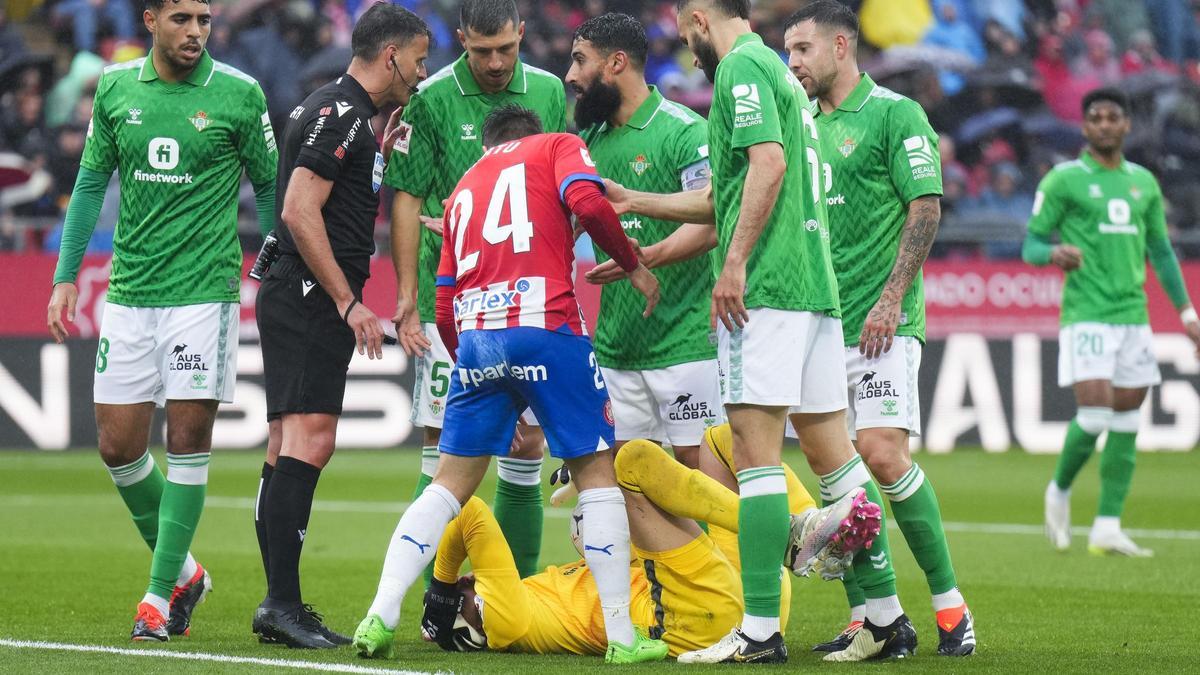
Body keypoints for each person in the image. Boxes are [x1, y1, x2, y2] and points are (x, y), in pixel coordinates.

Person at [600, 0, 905, 662]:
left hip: (764, 290)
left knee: (754, 454)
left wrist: (732, 263)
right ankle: (885, 615)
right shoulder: (778, 75)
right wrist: (637, 207)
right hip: (814, 291)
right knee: (834, 457)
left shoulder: (740, 68)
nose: (685, 43)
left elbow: (765, 166)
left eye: (684, 29)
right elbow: (725, 194)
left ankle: (760, 631)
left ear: (701, 16)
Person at [353, 105, 666, 664]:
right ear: (533, 136)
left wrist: (478, 364)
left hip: (477, 341)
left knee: (446, 487)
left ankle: (380, 614)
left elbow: (444, 302)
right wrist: (634, 263)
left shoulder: (466, 186)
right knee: (597, 475)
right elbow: (590, 202)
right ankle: (622, 637)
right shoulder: (556, 146)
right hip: (547, 325)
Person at [45, 0, 277, 642]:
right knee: (118, 447)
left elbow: (272, 186)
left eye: (204, 19)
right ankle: (187, 572)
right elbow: (91, 182)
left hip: (204, 294)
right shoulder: (117, 88)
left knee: (185, 445)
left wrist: (279, 266)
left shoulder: (239, 92)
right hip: (129, 291)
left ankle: (157, 593)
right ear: (150, 20)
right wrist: (66, 275)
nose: (196, 31)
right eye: (182, 19)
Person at [783, 2, 975, 658]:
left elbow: (925, 205)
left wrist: (892, 299)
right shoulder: (800, 123)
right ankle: (870, 613)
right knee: (830, 465)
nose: (795, 63)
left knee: (881, 451)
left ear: (843, 45)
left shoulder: (895, 114)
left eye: (804, 49)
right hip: (816, 322)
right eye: (788, 52)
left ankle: (951, 608)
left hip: (882, 320)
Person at [251, 3, 430, 648]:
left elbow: (329, 193)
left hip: (295, 292)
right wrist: (348, 303)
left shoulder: (340, 112)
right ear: (390, 56)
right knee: (310, 439)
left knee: (284, 445)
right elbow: (301, 211)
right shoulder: (343, 112)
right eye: (417, 60)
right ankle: (282, 604)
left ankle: (278, 603)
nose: (420, 72)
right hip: (309, 295)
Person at [418, 424, 881, 659]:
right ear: (469, 608)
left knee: (722, 442)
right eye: (464, 589)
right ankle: (788, 535)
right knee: (633, 461)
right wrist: (438, 587)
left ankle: (796, 532)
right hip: (696, 619)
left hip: (752, 604)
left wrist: (589, 493)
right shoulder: (502, 620)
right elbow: (471, 515)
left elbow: (637, 557)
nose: (470, 578)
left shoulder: (537, 602)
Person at [387, 0, 567, 579]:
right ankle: (427, 596)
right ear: (461, 38)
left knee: (525, 451)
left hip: (532, 297)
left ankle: (518, 595)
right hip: (457, 302)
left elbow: (566, 186)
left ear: (521, 32)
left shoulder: (548, 92)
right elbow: (409, 199)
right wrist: (408, 299)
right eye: (480, 50)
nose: (494, 62)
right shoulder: (433, 97)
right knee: (445, 447)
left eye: (505, 49)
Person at [1025, 87, 1200, 557]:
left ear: (1125, 125)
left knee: (1125, 419)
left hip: (1133, 316)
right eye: (1096, 117)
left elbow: (1161, 252)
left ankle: (1107, 526)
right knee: (1097, 412)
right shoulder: (1064, 180)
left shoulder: (1143, 182)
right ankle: (1059, 490)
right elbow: (1031, 244)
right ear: (1084, 127)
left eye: (1112, 117)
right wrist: (1053, 253)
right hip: (1087, 314)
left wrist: (1187, 314)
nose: (1104, 124)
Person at [566, 12, 720, 471]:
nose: (571, 75)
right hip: (615, 348)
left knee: (705, 480)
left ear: (616, 63)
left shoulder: (685, 132)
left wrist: (645, 258)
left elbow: (713, 221)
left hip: (686, 343)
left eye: (580, 61)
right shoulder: (587, 141)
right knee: (631, 486)